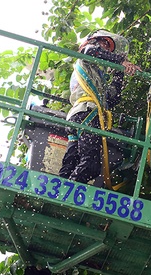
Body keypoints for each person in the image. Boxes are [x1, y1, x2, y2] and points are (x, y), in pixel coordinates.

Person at [59, 30, 141, 186]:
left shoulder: (95, 74)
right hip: (86, 113)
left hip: (80, 116)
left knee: (70, 163)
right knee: (90, 165)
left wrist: (119, 73)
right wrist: (120, 61)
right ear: (95, 42)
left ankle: (61, 190)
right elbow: (93, 51)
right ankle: (66, 193)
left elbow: (112, 98)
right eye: (104, 45)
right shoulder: (86, 56)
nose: (106, 50)